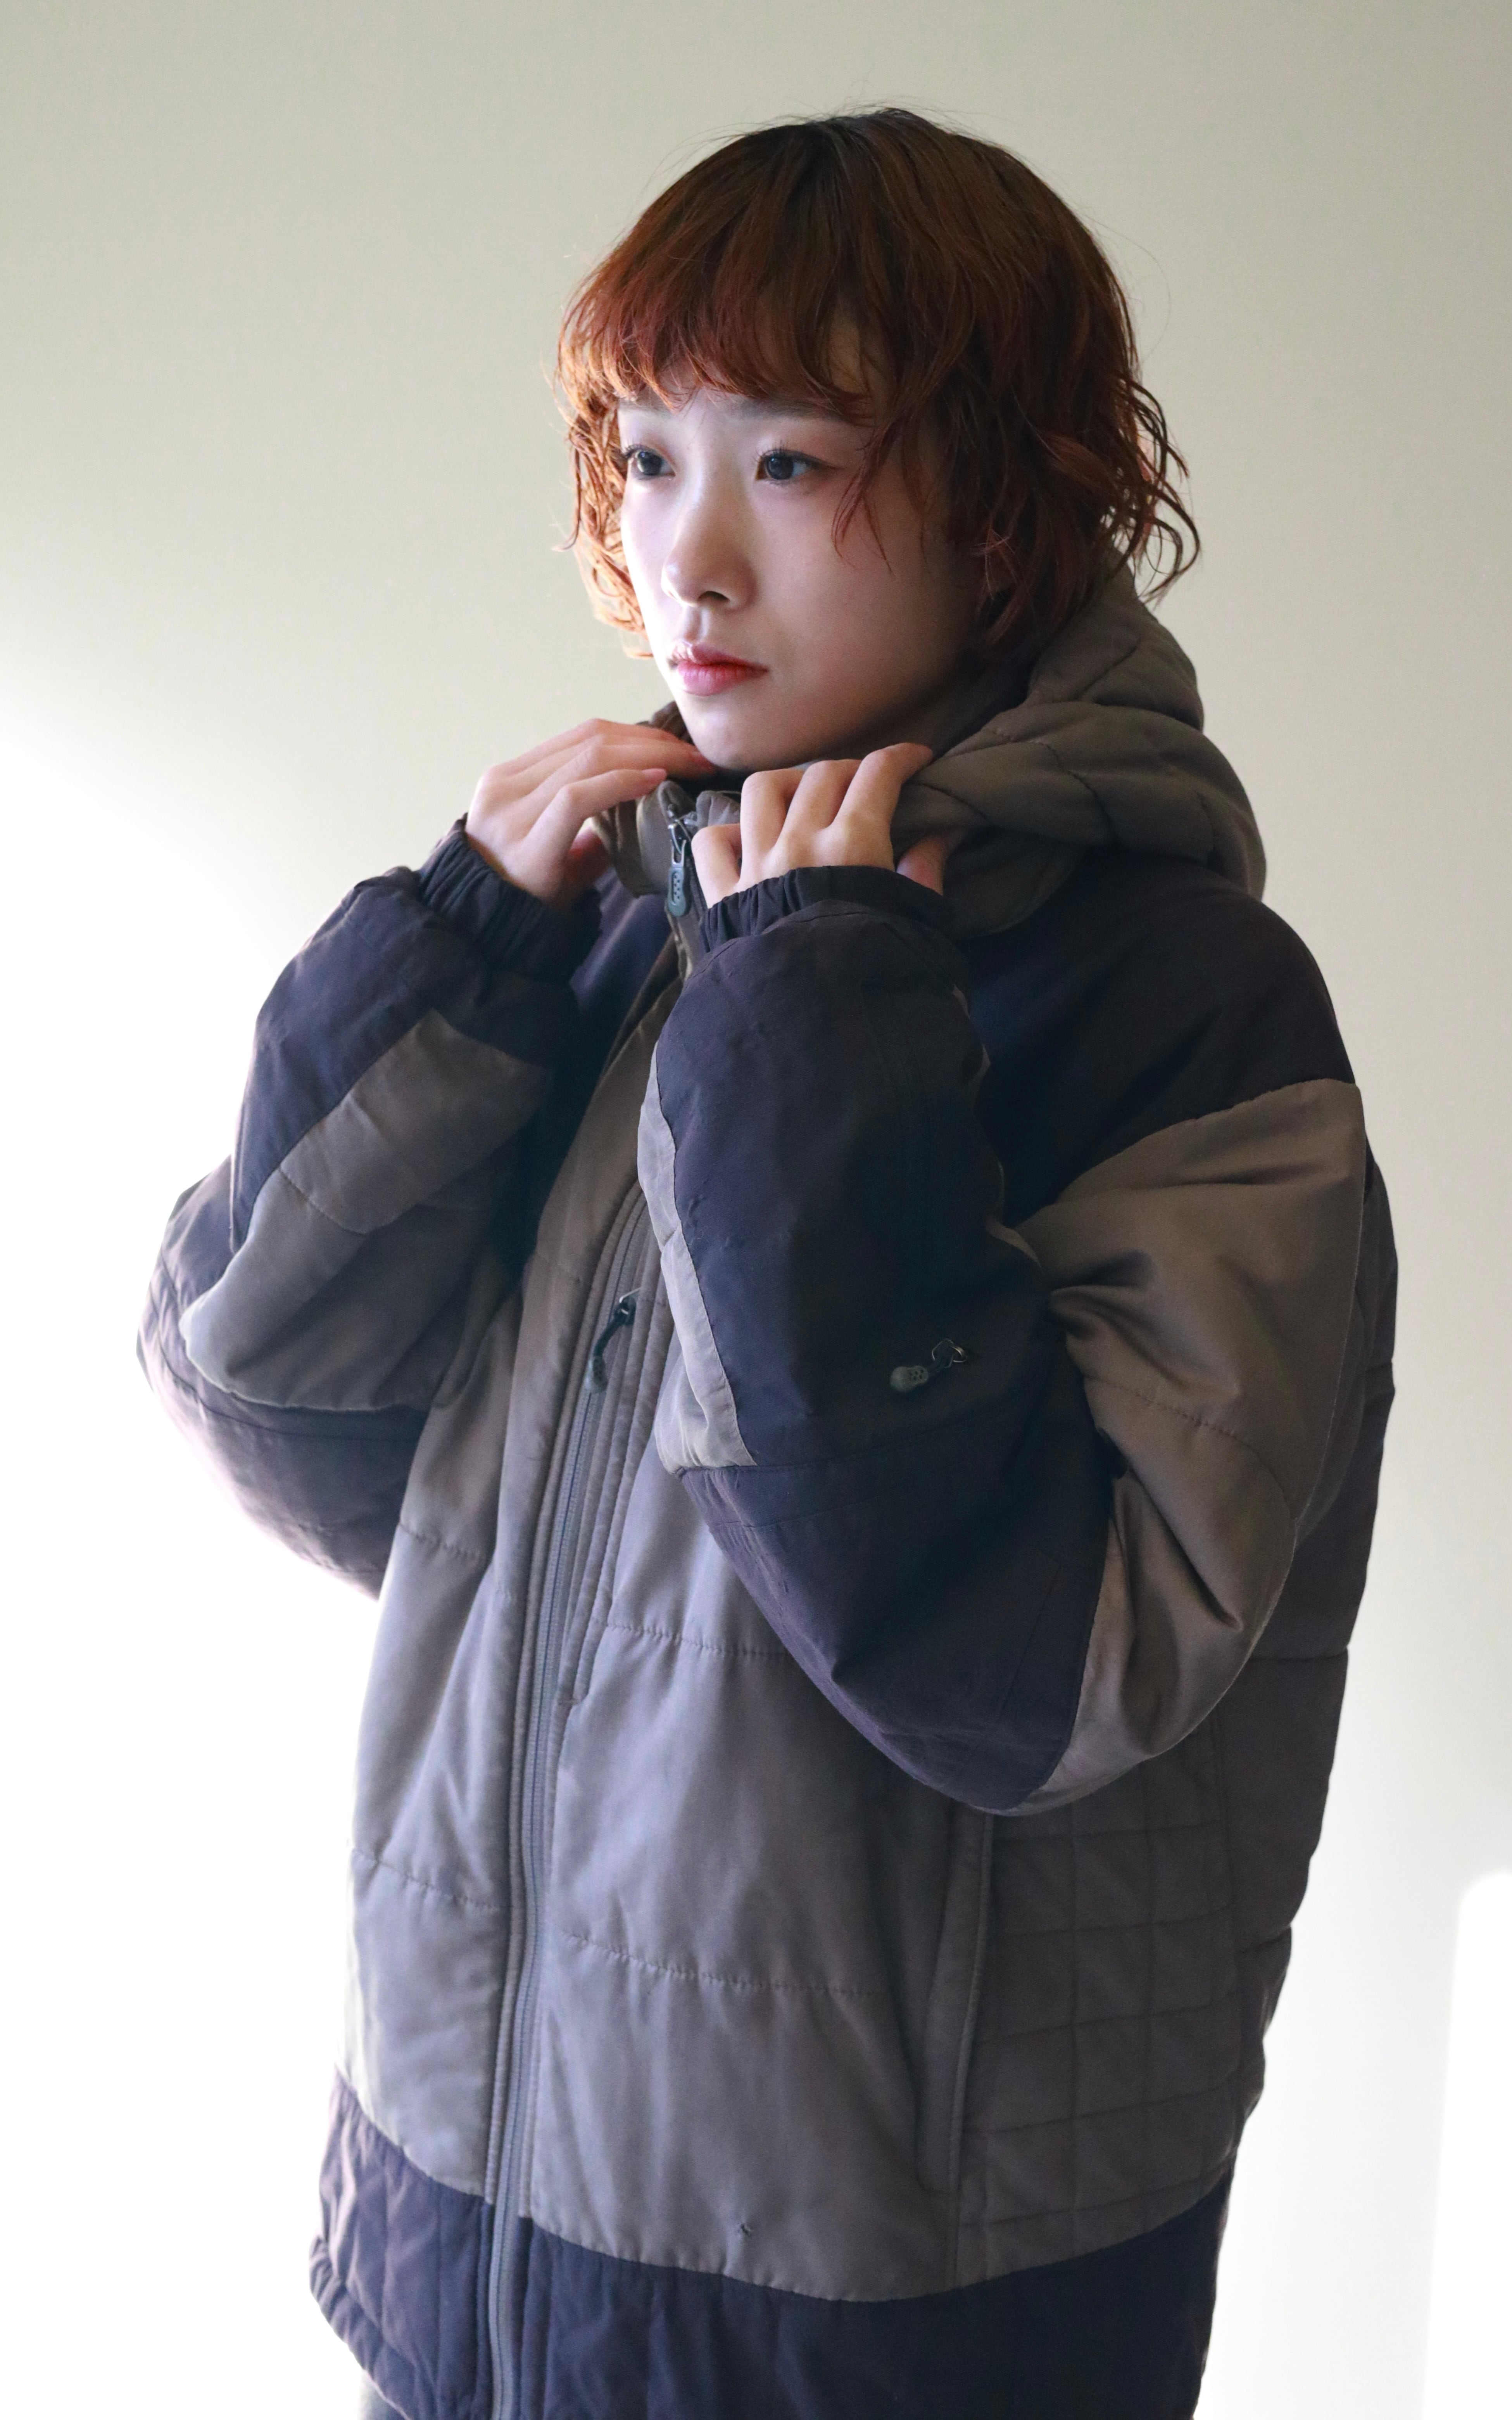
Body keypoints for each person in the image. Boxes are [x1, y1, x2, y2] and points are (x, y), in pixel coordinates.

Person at [140, 109, 1396, 2420]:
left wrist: (818, 1025)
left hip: (879, 2332)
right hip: (469, 2244)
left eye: (792, 463)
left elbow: (1047, 1665)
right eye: (646, 458)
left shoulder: (1177, 1001)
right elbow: (299, 1434)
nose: (685, 558)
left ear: (1008, 517)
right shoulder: (626, 930)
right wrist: (449, 965)